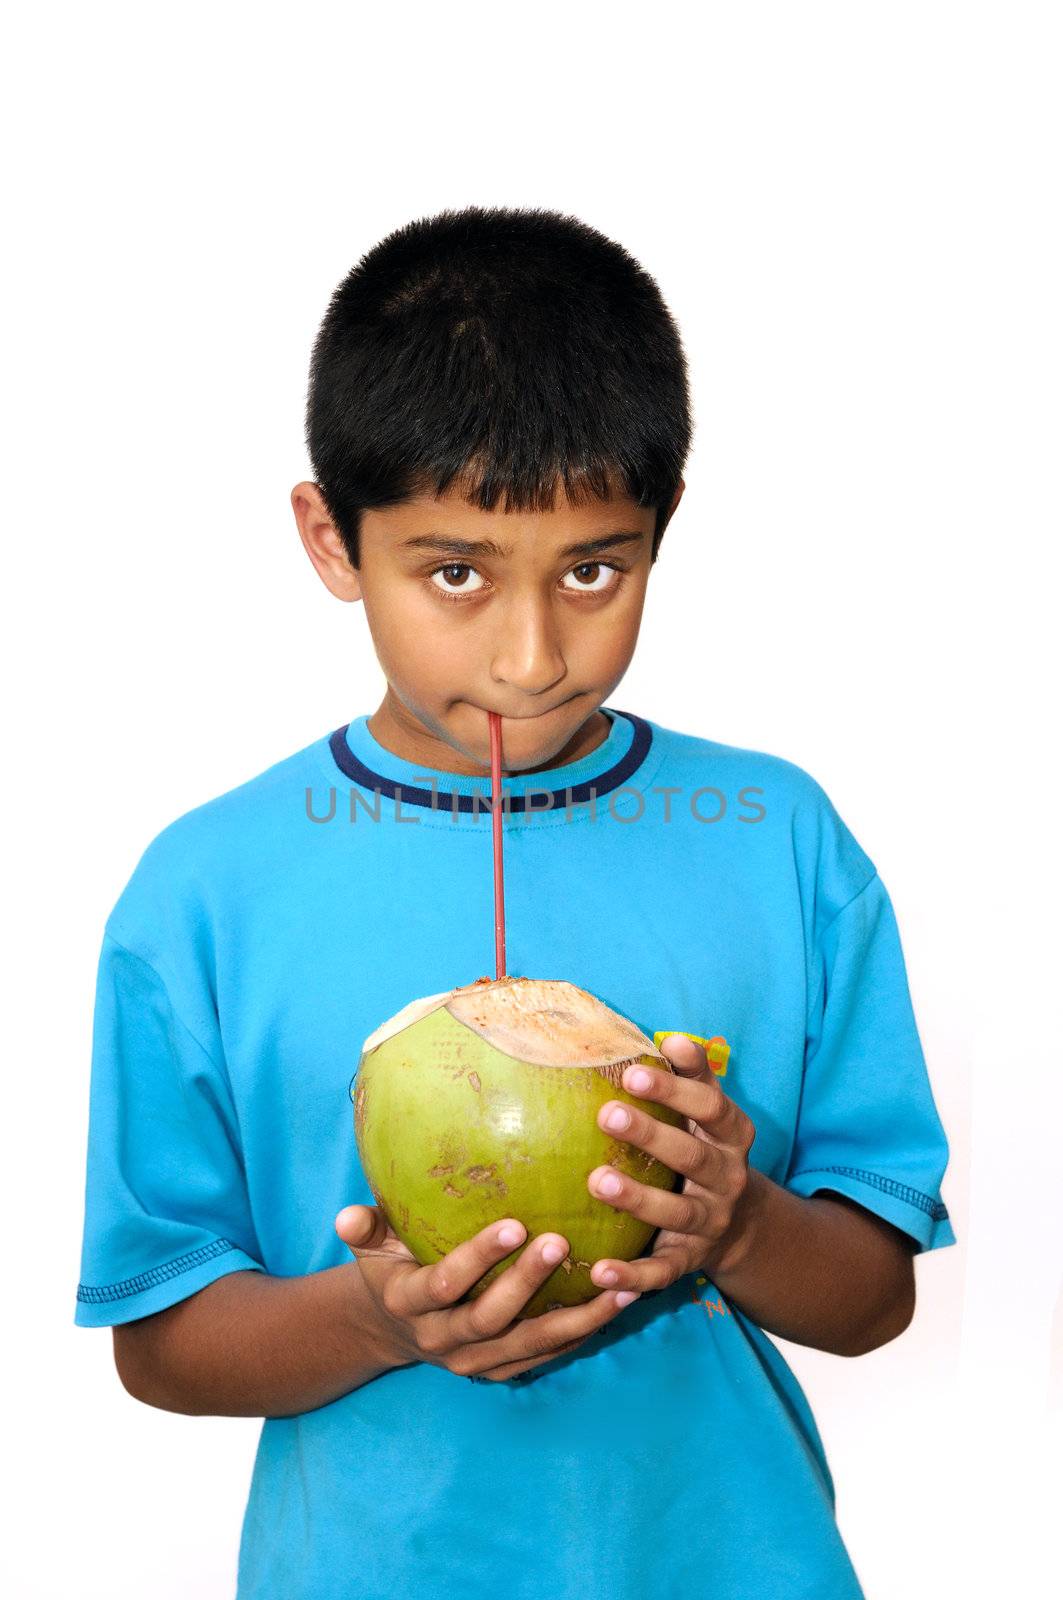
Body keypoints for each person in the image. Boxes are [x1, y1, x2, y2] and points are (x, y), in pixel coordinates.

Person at [74, 205, 956, 1600]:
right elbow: (160, 1340)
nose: (534, 654)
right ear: (328, 538)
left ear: (663, 529)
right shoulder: (208, 890)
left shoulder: (780, 839)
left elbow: (874, 1297)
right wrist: (376, 1321)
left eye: (594, 568)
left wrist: (732, 1224)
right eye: (455, 573)